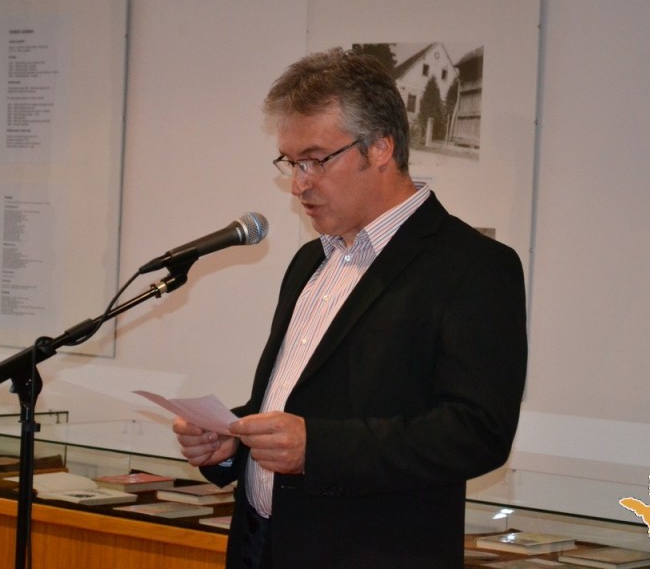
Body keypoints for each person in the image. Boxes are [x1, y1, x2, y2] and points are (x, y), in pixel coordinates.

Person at [173, 48, 527, 568]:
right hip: (262, 550)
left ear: (380, 147)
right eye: (291, 163)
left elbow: (477, 432)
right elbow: (302, 405)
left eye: (316, 160)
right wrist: (233, 440)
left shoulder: (473, 266)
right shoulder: (310, 262)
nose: (299, 184)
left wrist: (317, 449)